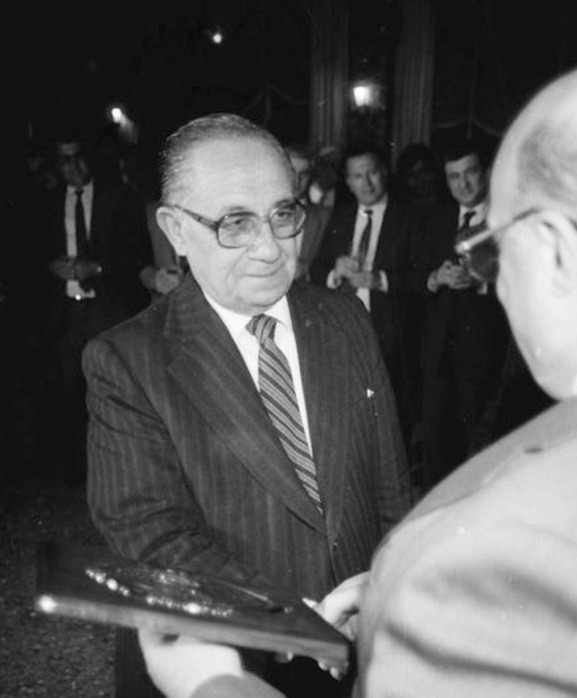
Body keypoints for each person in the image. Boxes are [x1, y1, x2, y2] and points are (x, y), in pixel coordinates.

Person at [140, 53, 577, 698]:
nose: (496, 284)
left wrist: (212, 683)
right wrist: (397, 591)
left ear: (552, 247)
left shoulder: (522, 555)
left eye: (490, 249)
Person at [84, 113, 413, 698]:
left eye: (283, 215)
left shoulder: (345, 319)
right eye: (235, 223)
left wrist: (386, 595)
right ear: (176, 230)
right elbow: (154, 538)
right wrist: (296, 621)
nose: (269, 248)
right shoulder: (127, 361)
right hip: (231, 664)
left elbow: (390, 493)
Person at [38, 130, 152, 484]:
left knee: (113, 390)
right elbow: (29, 252)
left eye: (78, 157)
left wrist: (98, 268)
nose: (72, 167)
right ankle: (76, 474)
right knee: (68, 390)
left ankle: (119, 470)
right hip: (65, 314)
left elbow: (137, 255)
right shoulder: (46, 202)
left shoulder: (119, 198)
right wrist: (50, 266)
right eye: (64, 160)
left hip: (107, 309)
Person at [310, 145, 422, 451]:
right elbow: (317, 270)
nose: (367, 182)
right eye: (358, 176)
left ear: (384, 173)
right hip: (342, 330)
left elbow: (423, 277)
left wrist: (381, 280)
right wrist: (335, 271)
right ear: (348, 181)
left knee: (388, 421)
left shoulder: (408, 216)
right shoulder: (341, 216)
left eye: (372, 173)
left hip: (389, 333)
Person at [415, 138, 511, 487]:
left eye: (470, 173)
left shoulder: (505, 219)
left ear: (485, 172)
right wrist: (435, 278)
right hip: (438, 355)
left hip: (485, 356)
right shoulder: (435, 217)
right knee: (436, 449)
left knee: (480, 455)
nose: (463, 184)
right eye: (454, 177)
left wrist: (480, 281)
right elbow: (416, 277)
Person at [284, 144, 333, 282]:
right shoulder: (261, 212)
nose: (296, 180)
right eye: (291, 172)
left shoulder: (326, 217)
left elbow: (333, 265)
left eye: (303, 174)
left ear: (311, 178)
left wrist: (306, 268)